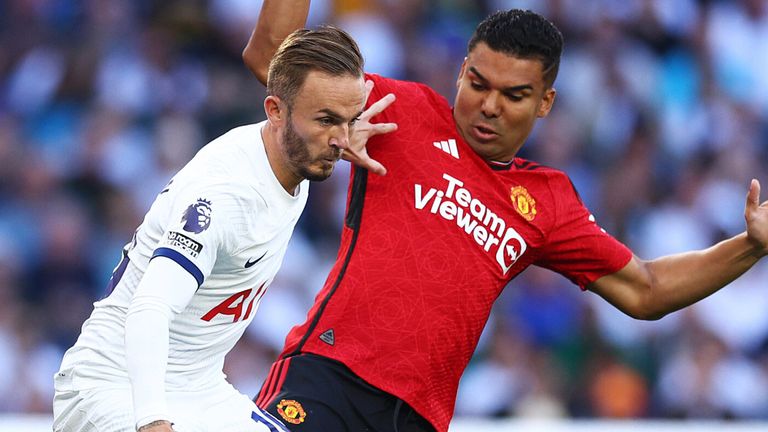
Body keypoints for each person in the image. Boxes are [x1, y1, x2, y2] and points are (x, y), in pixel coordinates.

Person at [243, 2, 768, 432]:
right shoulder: (398, 110)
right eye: (478, 83)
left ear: (545, 102)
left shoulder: (547, 200)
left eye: (514, 95)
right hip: (328, 379)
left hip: (420, 420)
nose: (489, 105)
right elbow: (274, 60)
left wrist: (751, 245)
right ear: (461, 72)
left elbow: (647, 290)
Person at [52, 25, 396, 432]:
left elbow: (327, 131)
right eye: (326, 120)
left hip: (199, 388)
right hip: (115, 387)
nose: (340, 139)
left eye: (349, 120)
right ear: (275, 111)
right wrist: (152, 421)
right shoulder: (225, 195)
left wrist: (335, 130)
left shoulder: (298, 151)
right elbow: (149, 309)